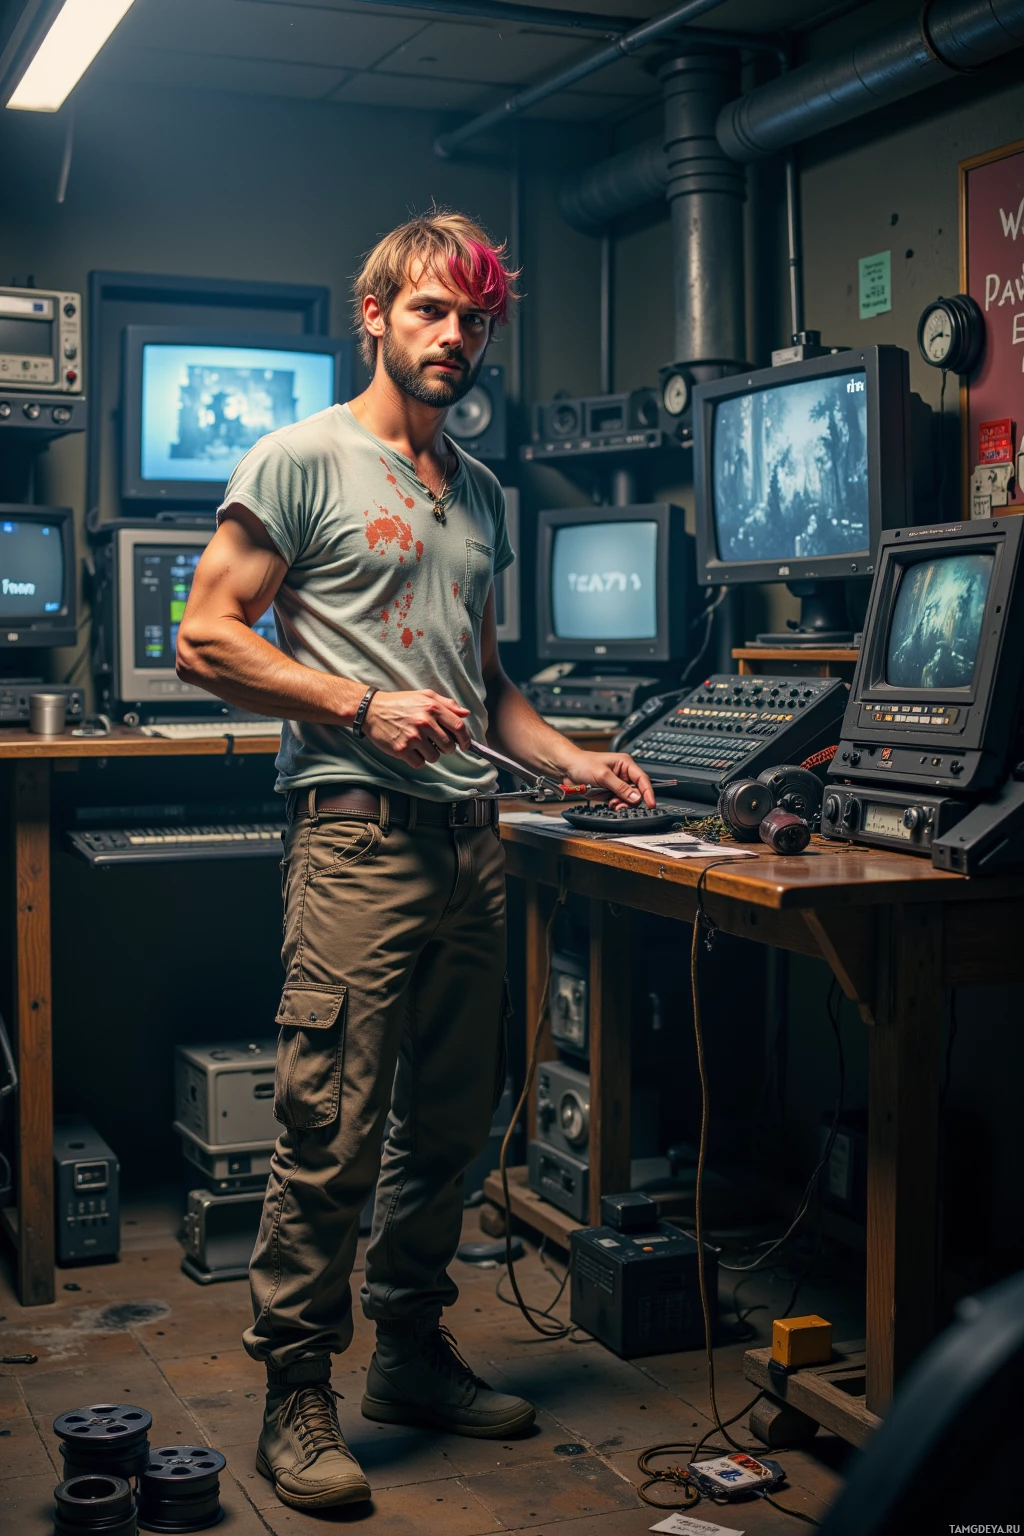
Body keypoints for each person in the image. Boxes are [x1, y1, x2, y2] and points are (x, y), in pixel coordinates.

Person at [176, 209, 655, 1513]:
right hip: (356, 840)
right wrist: (354, 702)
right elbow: (205, 638)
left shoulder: (482, 494)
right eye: (432, 311)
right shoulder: (302, 459)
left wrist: (572, 760)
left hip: (470, 845)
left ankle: (408, 1355)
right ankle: (294, 1394)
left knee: (445, 1128)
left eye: (476, 317)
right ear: (375, 315)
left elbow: (491, 689)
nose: (456, 336)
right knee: (330, 1128)